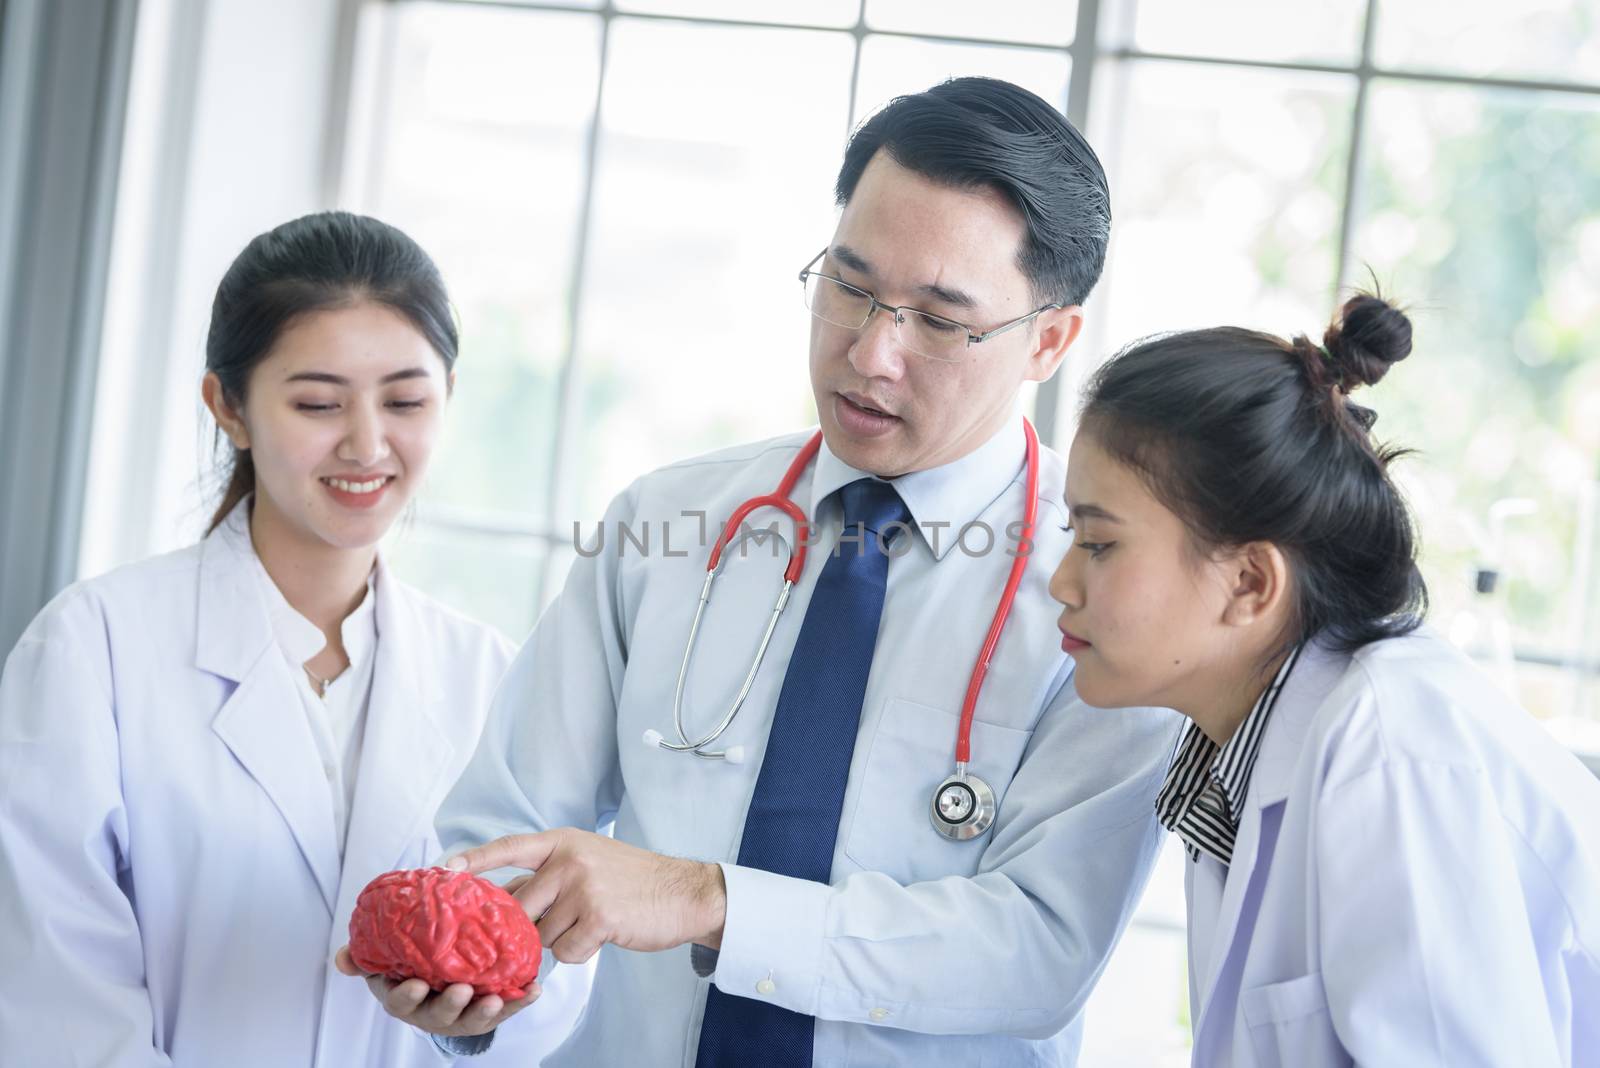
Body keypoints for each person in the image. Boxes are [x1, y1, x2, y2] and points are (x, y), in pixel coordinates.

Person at [342, 77, 1182, 1066]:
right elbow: (508, 830)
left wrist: (710, 902)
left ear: (1048, 339)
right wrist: (474, 982)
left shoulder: (1102, 597)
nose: (871, 353)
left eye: (940, 321)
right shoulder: (667, 525)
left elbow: (1037, 952)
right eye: (849, 285)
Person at [0, 211, 583, 1067]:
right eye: (317, 402)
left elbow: (550, 975)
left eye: (406, 399)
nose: (367, 444)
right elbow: (51, 987)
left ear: (447, 398)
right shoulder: (94, 649)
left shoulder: (487, 674)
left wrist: (485, 1021)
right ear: (228, 406)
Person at [1049, 295, 1600, 1066]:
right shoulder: (1236, 749)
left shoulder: (1392, 752)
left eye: (1099, 544)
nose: (1060, 581)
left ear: (1249, 583)